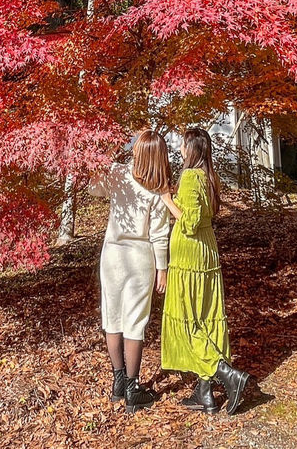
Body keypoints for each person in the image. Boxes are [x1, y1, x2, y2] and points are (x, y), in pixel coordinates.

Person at [160, 127, 250, 415]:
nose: (181, 149)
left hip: (189, 256)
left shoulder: (189, 177)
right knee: (205, 317)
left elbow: (189, 222)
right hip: (206, 251)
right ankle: (205, 393)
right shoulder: (210, 177)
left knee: (190, 319)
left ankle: (228, 374)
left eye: (184, 144)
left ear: (192, 149)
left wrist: (167, 200)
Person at [89, 129, 171, 413]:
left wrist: (102, 156)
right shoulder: (158, 188)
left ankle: (117, 381)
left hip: (112, 255)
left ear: (137, 151)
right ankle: (133, 389)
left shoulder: (117, 173)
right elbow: (160, 233)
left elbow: (93, 187)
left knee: (112, 318)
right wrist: (163, 268)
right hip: (140, 258)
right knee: (135, 321)